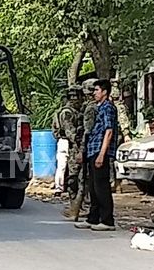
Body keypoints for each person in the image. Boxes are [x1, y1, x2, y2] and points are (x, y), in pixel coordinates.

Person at [76, 79, 118, 231]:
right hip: (92, 149)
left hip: (101, 151)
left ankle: (107, 220)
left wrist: (102, 154)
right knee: (93, 186)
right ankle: (93, 217)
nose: (94, 93)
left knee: (102, 187)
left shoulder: (108, 108)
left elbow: (109, 131)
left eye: (97, 90)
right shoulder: (98, 108)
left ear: (105, 92)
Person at [65, 80, 97, 220]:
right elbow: (70, 132)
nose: (74, 99)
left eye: (77, 95)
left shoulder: (88, 108)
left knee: (86, 179)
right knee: (73, 179)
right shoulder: (67, 112)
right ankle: (75, 205)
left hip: (85, 148)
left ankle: (84, 207)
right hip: (76, 149)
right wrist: (79, 145)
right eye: (71, 96)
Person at [51, 87, 82, 196]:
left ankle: (62, 187)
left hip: (65, 141)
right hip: (66, 141)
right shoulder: (67, 112)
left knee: (64, 166)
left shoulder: (68, 111)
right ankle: (60, 188)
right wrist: (76, 141)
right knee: (64, 165)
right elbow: (69, 130)